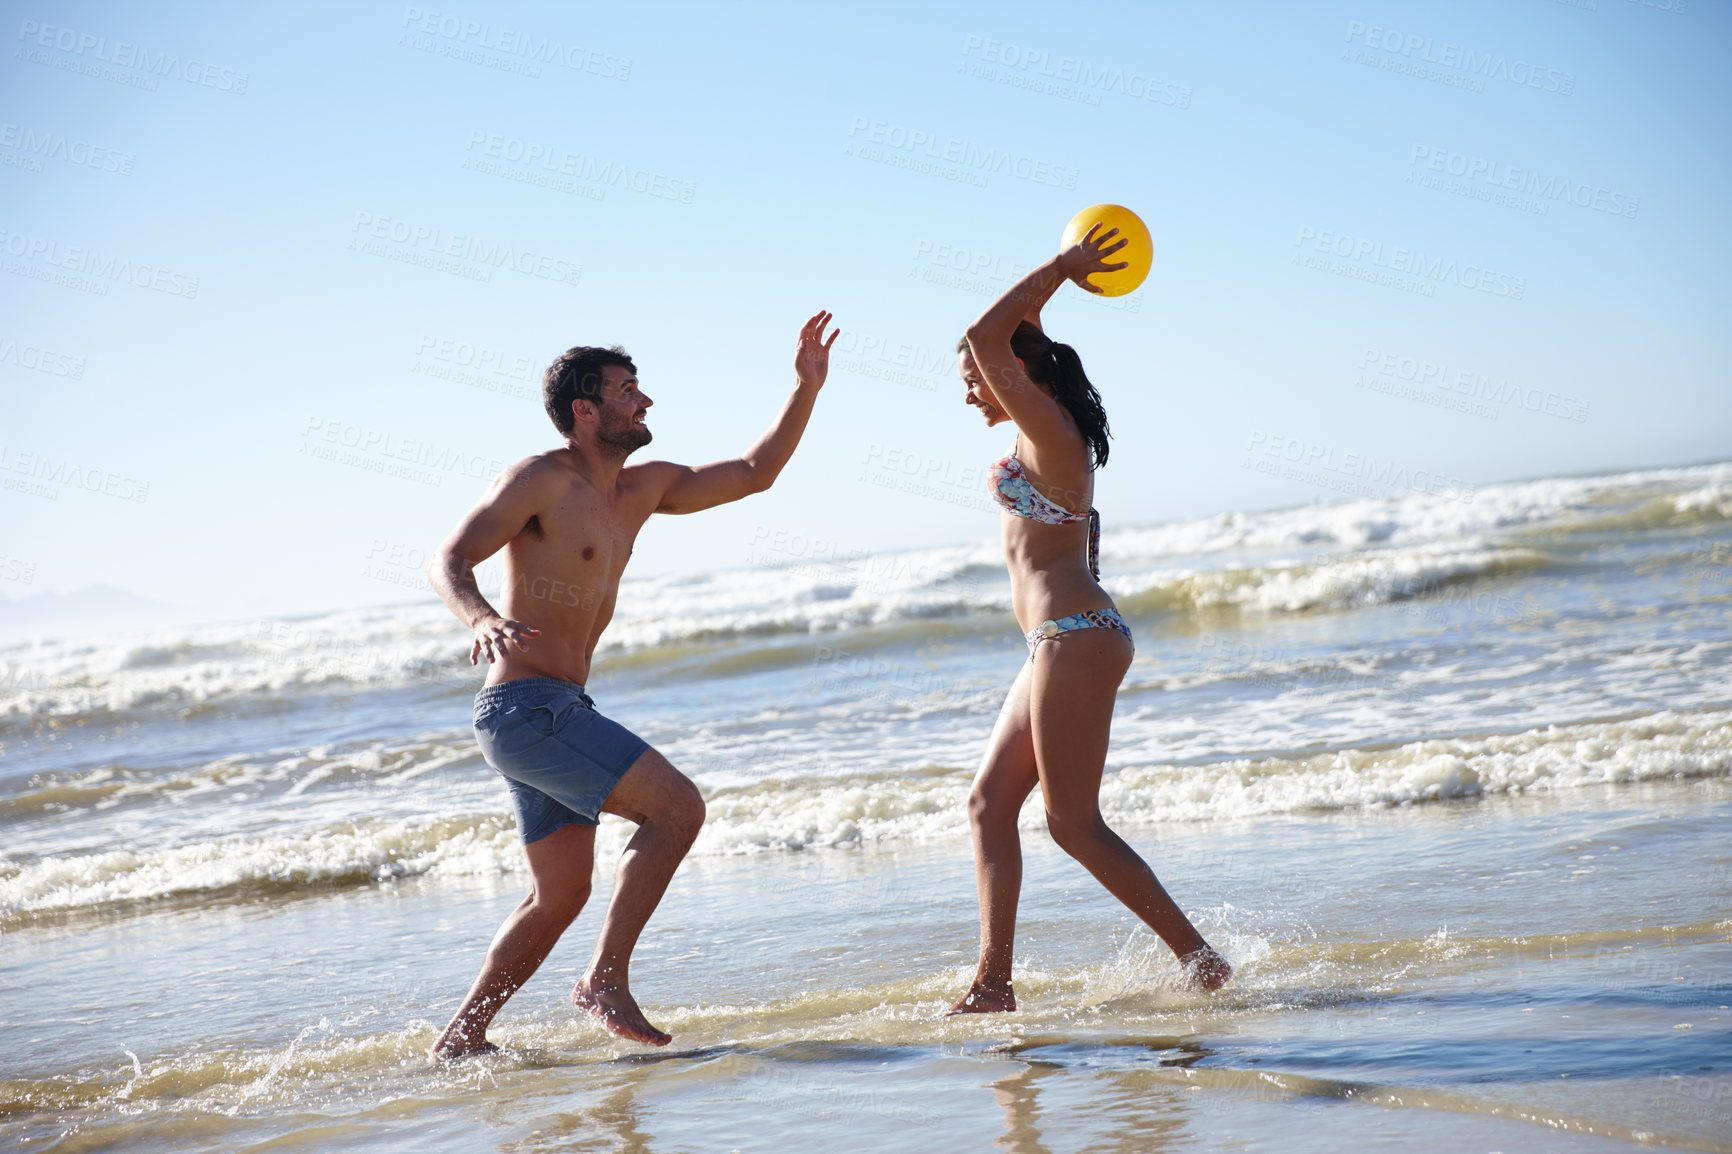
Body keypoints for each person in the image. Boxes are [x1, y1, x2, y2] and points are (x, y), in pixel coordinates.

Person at [426, 311, 840, 1057]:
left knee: (560, 896)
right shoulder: (540, 479)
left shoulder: (644, 487)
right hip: (524, 707)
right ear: (585, 410)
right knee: (678, 811)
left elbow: (755, 474)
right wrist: (480, 617)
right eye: (626, 391)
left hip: (557, 709)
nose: (644, 402)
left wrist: (804, 387)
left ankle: (461, 1039)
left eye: (639, 389)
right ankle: (604, 980)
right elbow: (448, 560)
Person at [947, 229, 1230, 1015]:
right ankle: (992, 983)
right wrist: (1054, 286)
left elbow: (986, 335)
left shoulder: (1053, 437)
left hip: (1077, 639)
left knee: (1072, 823)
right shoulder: (1036, 428)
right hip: (1055, 643)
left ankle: (1203, 963)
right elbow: (1008, 332)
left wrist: (1064, 271)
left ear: (1021, 375)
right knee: (987, 805)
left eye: (977, 379)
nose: (970, 387)